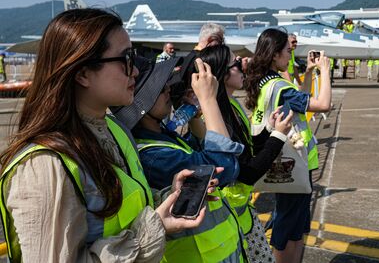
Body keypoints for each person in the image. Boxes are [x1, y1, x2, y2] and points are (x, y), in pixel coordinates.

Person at [0, 8, 204, 262]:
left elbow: (124, 212)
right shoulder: (45, 166)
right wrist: (153, 230)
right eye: (126, 59)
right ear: (83, 73)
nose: (135, 71)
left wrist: (166, 200)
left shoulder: (114, 129)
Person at [111, 55, 248, 262]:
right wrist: (209, 99)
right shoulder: (152, 156)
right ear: (141, 103)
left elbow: (201, 153)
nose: (168, 89)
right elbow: (225, 168)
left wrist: (194, 117)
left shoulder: (164, 138)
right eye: (158, 88)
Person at [244, 28, 332, 263]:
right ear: (275, 54)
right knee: (287, 228)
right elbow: (323, 104)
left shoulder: (267, 84)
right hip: (295, 163)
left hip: (283, 159)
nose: (289, 55)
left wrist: (311, 72)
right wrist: (325, 71)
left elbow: (300, 103)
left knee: (291, 225)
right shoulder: (282, 88)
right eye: (286, 51)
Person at [199, 45, 294, 263]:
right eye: (236, 64)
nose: (244, 67)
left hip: (243, 212)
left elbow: (246, 148)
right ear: (222, 74)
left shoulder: (232, 104)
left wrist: (269, 130)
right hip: (230, 217)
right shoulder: (214, 119)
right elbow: (247, 172)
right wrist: (278, 137)